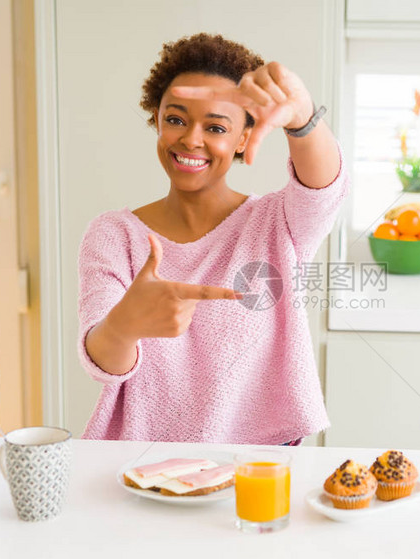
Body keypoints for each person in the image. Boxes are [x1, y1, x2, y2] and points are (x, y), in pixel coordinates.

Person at [77, 33, 348, 445]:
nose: (191, 139)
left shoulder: (279, 224)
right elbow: (103, 361)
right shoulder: (114, 234)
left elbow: (326, 186)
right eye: (176, 119)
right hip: (138, 465)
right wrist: (124, 325)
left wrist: (303, 116)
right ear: (156, 118)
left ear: (243, 137)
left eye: (216, 126)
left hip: (258, 466)